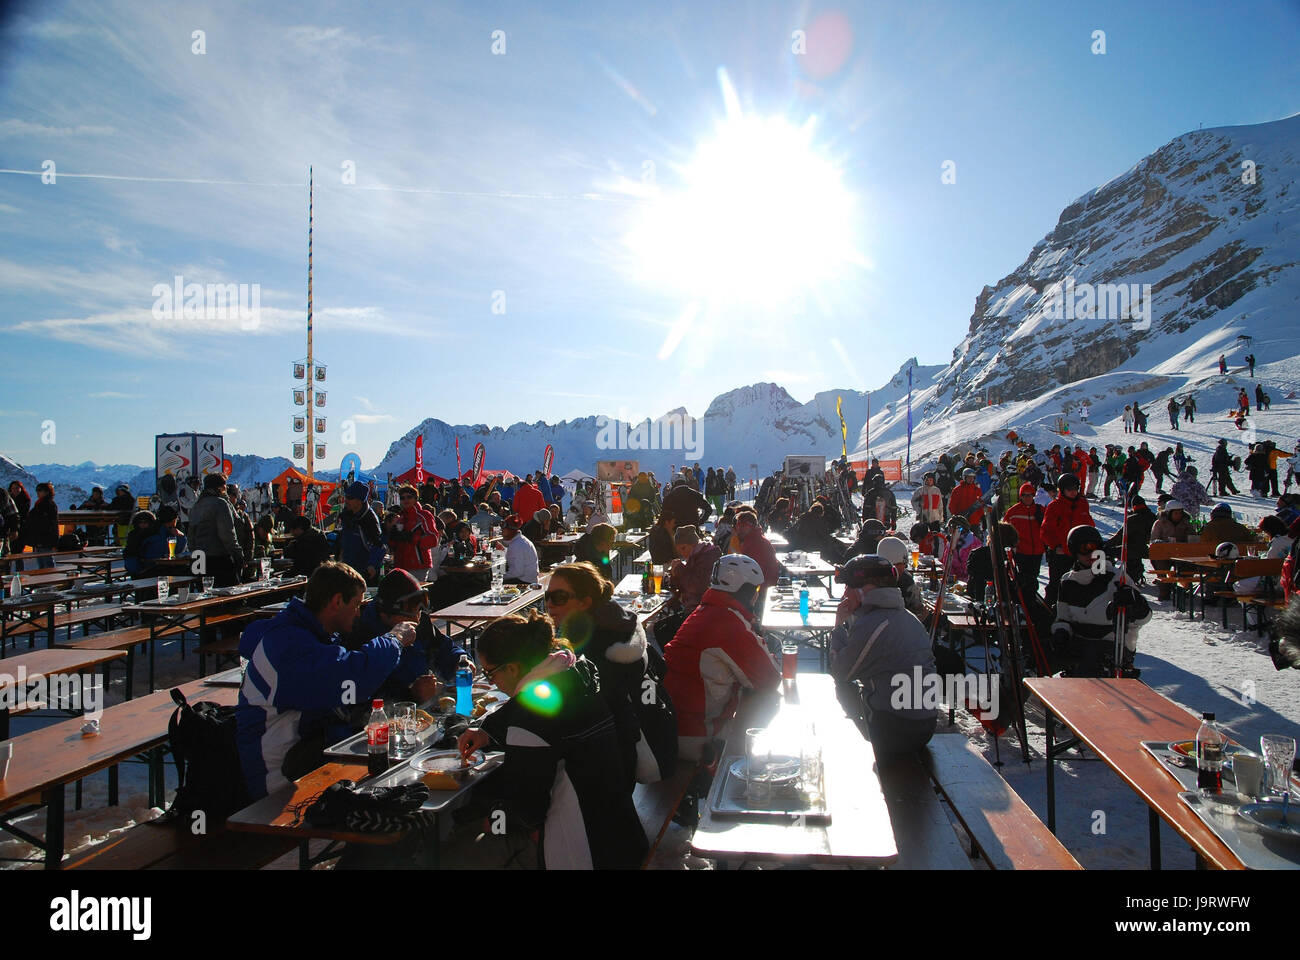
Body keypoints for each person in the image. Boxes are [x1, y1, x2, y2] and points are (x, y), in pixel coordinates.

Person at [456, 611, 648, 869]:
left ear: (512, 668)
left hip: (585, 852)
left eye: (490, 674)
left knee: (458, 847)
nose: (493, 683)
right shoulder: (577, 674)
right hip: (624, 834)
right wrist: (488, 731)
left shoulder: (528, 722)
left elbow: (526, 812)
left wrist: (491, 821)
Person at [235, 561, 421, 799]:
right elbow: (354, 679)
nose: (358, 614)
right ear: (336, 602)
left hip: (305, 756)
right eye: (356, 605)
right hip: (279, 779)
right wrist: (394, 639)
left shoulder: (307, 634)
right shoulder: (286, 645)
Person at [544, 562, 677, 786]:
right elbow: (661, 669)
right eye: (546, 597)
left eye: (559, 598)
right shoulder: (620, 622)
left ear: (585, 602)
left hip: (642, 757)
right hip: (661, 737)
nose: (549, 605)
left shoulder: (592, 647)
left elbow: (579, 713)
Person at [664, 555, 780, 761]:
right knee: (769, 711)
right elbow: (769, 679)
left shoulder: (705, 611)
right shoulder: (728, 623)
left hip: (673, 724)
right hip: (696, 733)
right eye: (756, 590)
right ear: (747, 591)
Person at [829, 554, 937, 755]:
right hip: (922, 722)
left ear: (866, 589)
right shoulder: (906, 617)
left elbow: (840, 671)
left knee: (838, 696)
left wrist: (839, 625)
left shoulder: (875, 624)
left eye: (849, 587)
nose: (845, 594)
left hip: (896, 728)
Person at [1051, 525, 1150, 677]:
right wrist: (1061, 632)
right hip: (1080, 646)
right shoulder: (1068, 581)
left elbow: (1144, 617)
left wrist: (1136, 604)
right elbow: (1063, 617)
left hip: (1113, 647)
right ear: (1074, 551)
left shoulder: (1117, 578)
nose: (1091, 554)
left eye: (1095, 548)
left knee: (1091, 658)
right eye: (1084, 549)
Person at [1040, 472, 1094, 607]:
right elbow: (1045, 530)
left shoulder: (1082, 503)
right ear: (1062, 490)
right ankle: (1050, 614)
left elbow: (1089, 525)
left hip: (1079, 553)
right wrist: (1056, 546)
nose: (1073, 492)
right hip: (1061, 554)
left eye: (1076, 489)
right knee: (1057, 586)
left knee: (1081, 585)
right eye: (1070, 489)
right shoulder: (1055, 506)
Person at [184, 474, 244, 586]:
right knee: (226, 596)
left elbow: (191, 538)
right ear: (220, 488)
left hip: (198, 559)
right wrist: (238, 555)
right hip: (218, 559)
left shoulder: (196, 506)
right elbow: (227, 535)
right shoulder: (220, 504)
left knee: (202, 595)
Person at [335, 481, 385, 583]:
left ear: (360, 500)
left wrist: (372, 565)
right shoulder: (347, 515)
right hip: (347, 569)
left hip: (364, 572)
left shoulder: (369, 519)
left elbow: (379, 545)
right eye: (346, 497)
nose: (346, 500)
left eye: (350, 497)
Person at [388, 484, 440, 581]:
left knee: (415, 595)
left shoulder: (423, 516)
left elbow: (433, 539)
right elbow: (394, 546)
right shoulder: (400, 519)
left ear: (416, 498)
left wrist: (412, 537)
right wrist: (392, 538)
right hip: (401, 565)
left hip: (418, 565)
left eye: (409, 497)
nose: (406, 500)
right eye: (402, 498)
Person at [1004, 483, 1046, 598]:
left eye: (1030, 495)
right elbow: (1005, 531)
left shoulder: (1040, 510)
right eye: (1024, 495)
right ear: (1020, 496)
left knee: (1033, 576)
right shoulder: (1013, 512)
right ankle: (1024, 600)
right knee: (1023, 578)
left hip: (1037, 551)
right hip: (1021, 552)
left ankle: (1030, 600)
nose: (1027, 498)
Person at [669, 525, 721, 615]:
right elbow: (683, 584)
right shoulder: (695, 555)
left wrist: (679, 569)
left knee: (662, 628)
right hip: (693, 606)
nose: (682, 553)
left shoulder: (707, 557)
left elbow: (697, 586)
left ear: (693, 544)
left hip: (703, 610)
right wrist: (673, 576)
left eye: (683, 548)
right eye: (679, 550)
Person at [1103, 495, 1155, 583]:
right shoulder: (1152, 517)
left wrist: (1105, 544)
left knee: (1106, 551)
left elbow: (1119, 538)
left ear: (1133, 506)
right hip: (1146, 550)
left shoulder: (1133, 519)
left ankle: (1108, 574)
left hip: (1131, 550)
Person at [729, 509, 780, 586]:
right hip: (755, 585)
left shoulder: (757, 543)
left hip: (761, 588)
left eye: (743, 526)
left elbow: (754, 573)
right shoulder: (746, 540)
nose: (739, 529)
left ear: (752, 526)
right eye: (738, 525)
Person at [501, 514, 539, 584]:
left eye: (504, 529)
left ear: (510, 530)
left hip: (524, 581)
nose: (502, 531)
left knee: (491, 584)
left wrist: (500, 577)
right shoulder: (520, 540)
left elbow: (517, 572)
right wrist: (503, 550)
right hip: (530, 578)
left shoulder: (517, 545)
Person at [121, 510, 157, 578]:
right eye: (140, 522)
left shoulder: (154, 533)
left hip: (148, 564)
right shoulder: (133, 534)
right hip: (140, 566)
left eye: (145, 522)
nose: (142, 524)